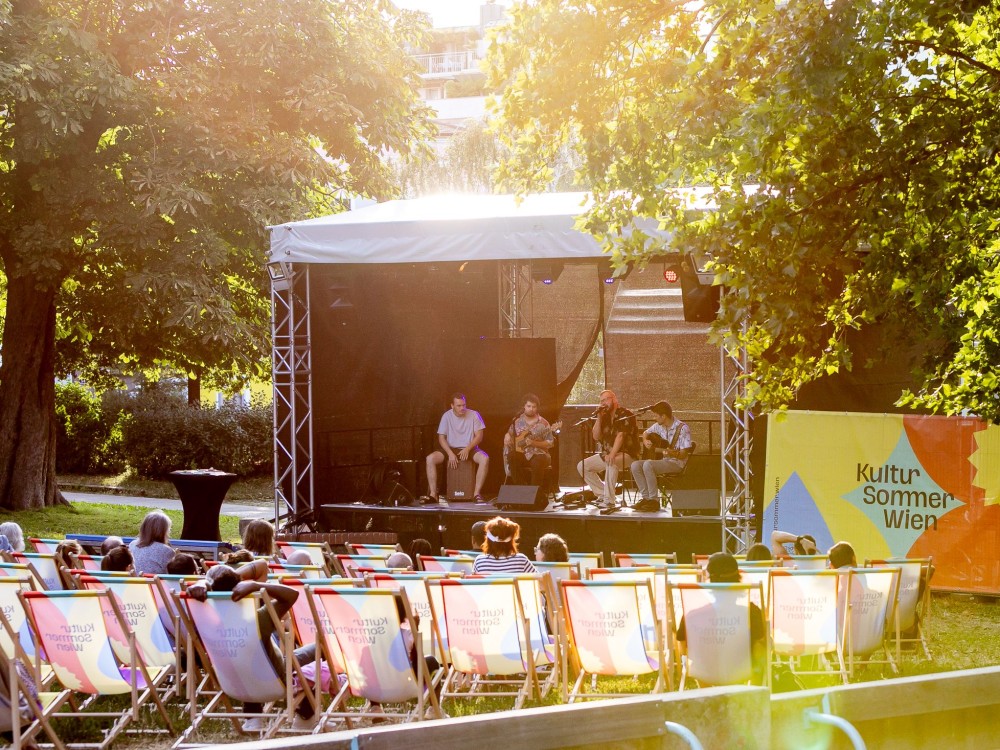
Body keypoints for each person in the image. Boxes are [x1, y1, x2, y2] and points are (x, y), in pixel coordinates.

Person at [187, 561, 318, 732]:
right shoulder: (258, 620)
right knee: (320, 645)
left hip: (232, 682)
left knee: (247, 659)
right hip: (275, 678)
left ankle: (253, 717)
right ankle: (306, 717)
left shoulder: (205, 619)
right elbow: (292, 594)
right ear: (240, 585)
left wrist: (201, 583)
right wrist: (256, 585)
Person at [676, 552, 766, 685]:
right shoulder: (751, 611)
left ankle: (706, 693)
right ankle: (753, 692)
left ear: (709, 580)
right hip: (741, 671)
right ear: (737, 578)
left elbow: (681, 644)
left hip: (704, 672)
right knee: (763, 643)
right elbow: (760, 644)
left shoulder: (694, 613)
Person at [577, 390, 639, 510]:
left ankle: (609, 501)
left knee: (612, 461)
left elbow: (621, 436)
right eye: (601, 401)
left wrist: (612, 454)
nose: (603, 403)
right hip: (608, 453)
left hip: (628, 454)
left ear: (614, 399)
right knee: (582, 466)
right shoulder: (604, 416)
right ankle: (602, 493)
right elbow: (596, 436)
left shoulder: (626, 414)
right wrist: (599, 418)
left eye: (606, 399)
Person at [425, 393, 489, 503]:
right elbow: (441, 438)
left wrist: (467, 449)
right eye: (459, 406)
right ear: (452, 406)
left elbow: (479, 436)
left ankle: (476, 494)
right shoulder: (446, 416)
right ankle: (433, 494)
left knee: (485, 459)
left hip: (469, 448)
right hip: (451, 448)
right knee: (430, 459)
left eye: (464, 405)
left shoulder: (474, 415)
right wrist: (450, 453)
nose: (462, 408)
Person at [629, 401, 692, 507]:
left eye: (656, 416)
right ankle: (646, 498)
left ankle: (654, 501)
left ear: (663, 416)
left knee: (648, 464)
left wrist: (668, 452)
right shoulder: (659, 426)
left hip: (677, 463)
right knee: (635, 465)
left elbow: (683, 455)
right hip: (664, 461)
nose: (654, 418)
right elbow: (645, 433)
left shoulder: (682, 429)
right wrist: (645, 441)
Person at [504, 393, 556, 488]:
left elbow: (550, 443)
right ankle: (522, 489)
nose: (531, 409)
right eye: (528, 406)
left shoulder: (543, 423)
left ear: (537, 408)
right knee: (512, 456)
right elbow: (510, 434)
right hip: (522, 454)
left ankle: (534, 493)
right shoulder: (517, 421)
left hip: (539, 455)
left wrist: (534, 443)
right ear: (524, 406)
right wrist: (507, 435)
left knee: (538, 461)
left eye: (534, 407)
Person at [472, 516, 536, 574]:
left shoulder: (480, 561)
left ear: (488, 540)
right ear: (511, 541)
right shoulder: (521, 560)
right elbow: (539, 581)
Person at [128, 510, 175, 575]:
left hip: (132, 584)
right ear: (163, 531)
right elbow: (171, 575)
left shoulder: (132, 544)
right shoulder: (166, 550)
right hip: (154, 584)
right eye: (168, 529)